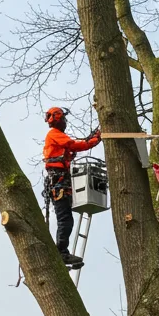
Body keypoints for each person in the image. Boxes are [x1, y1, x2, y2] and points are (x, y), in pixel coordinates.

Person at [43, 107, 101, 267]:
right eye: (63, 119)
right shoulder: (54, 134)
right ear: (58, 119)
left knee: (67, 219)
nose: (65, 122)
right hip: (59, 183)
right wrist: (94, 140)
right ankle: (61, 252)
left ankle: (63, 251)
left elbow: (69, 149)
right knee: (65, 220)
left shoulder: (57, 138)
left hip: (62, 183)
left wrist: (90, 138)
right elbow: (73, 145)